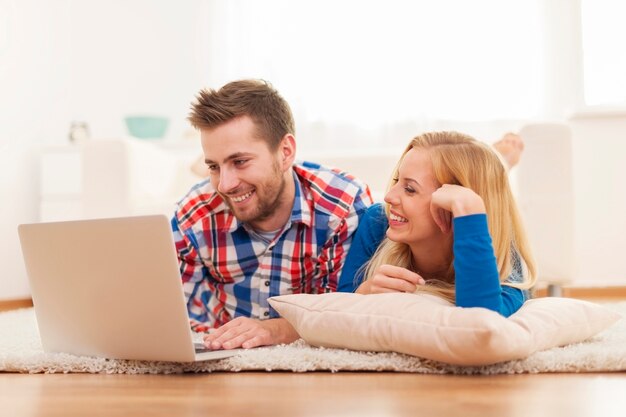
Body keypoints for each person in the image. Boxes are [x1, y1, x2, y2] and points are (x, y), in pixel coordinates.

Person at [171, 79, 373, 350]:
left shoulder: (342, 206)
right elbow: (173, 317)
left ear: (286, 152)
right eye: (214, 166)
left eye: (239, 162)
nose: (225, 184)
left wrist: (274, 330)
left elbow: (345, 311)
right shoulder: (194, 214)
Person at [338, 131, 536, 316]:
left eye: (409, 189)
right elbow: (340, 304)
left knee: (489, 181)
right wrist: (363, 294)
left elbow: (481, 320)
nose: (389, 196)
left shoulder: (506, 264)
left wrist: (469, 206)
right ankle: (499, 159)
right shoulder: (379, 220)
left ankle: (502, 160)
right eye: (397, 180)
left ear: (450, 206)